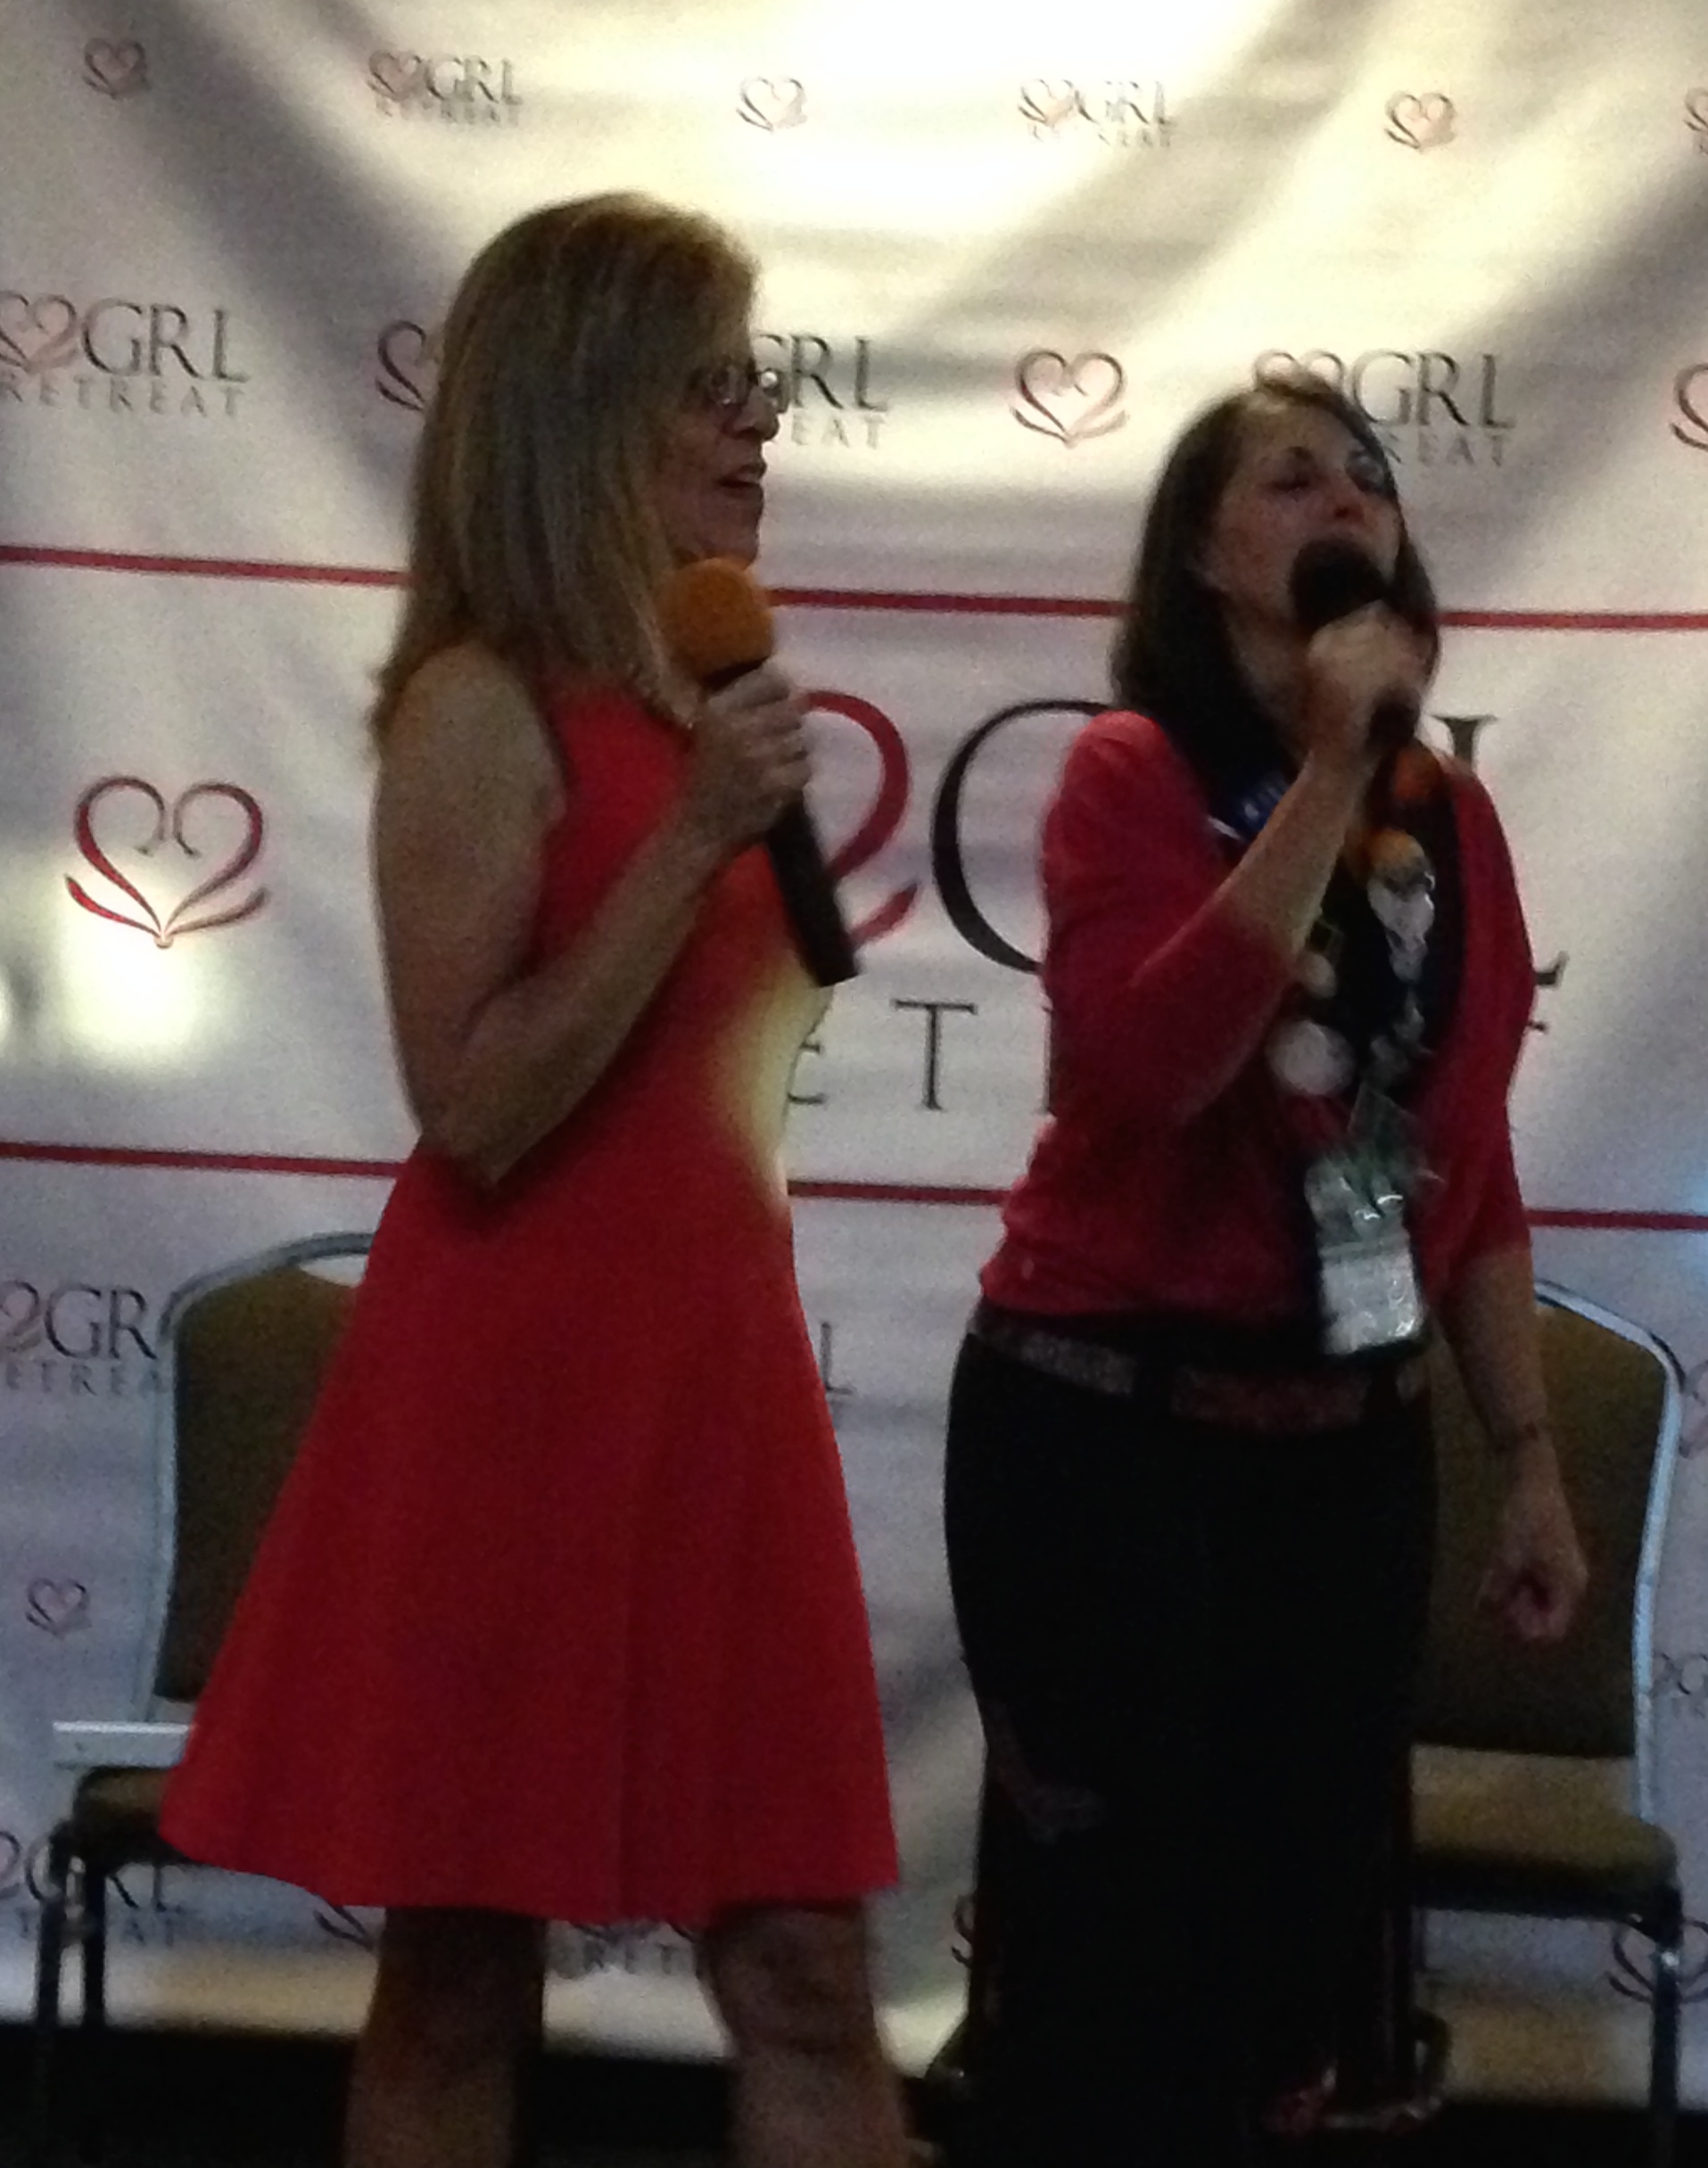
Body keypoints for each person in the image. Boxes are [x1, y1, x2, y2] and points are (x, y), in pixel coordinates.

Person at [161, 196, 910, 2168]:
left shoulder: (696, 692)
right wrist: (688, 847)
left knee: (807, 1970)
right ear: (589, 412)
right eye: (716, 385)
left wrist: (711, 818)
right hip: (515, 1390)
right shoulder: (477, 705)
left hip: (713, 1380)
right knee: (460, 1969)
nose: (763, 422)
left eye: (761, 383)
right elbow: (475, 1102)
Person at [941, 372, 1588, 2167]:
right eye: (1291, 479)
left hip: (1344, 1462)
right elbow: (1151, 1069)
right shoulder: (1130, 774)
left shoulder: (1454, 819)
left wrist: (1528, 1457)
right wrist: (1325, 773)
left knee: (1286, 1988)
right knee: (1109, 1996)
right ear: (1205, 558)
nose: (1346, 500)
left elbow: (1467, 1158)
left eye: (1365, 477)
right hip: (1105, 1445)